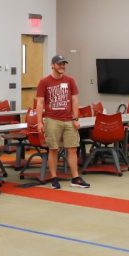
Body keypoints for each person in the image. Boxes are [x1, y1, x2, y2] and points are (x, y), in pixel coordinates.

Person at [35, 55, 90, 189]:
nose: (62, 66)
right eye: (59, 64)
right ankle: (54, 178)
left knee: (72, 149)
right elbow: (40, 102)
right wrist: (40, 122)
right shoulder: (44, 82)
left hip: (69, 120)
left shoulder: (70, 80)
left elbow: (75, 100)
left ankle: (75, 178)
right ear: (52, 65)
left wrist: (76, 118)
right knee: (53, 149)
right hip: (52, 119)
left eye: (64, 64)